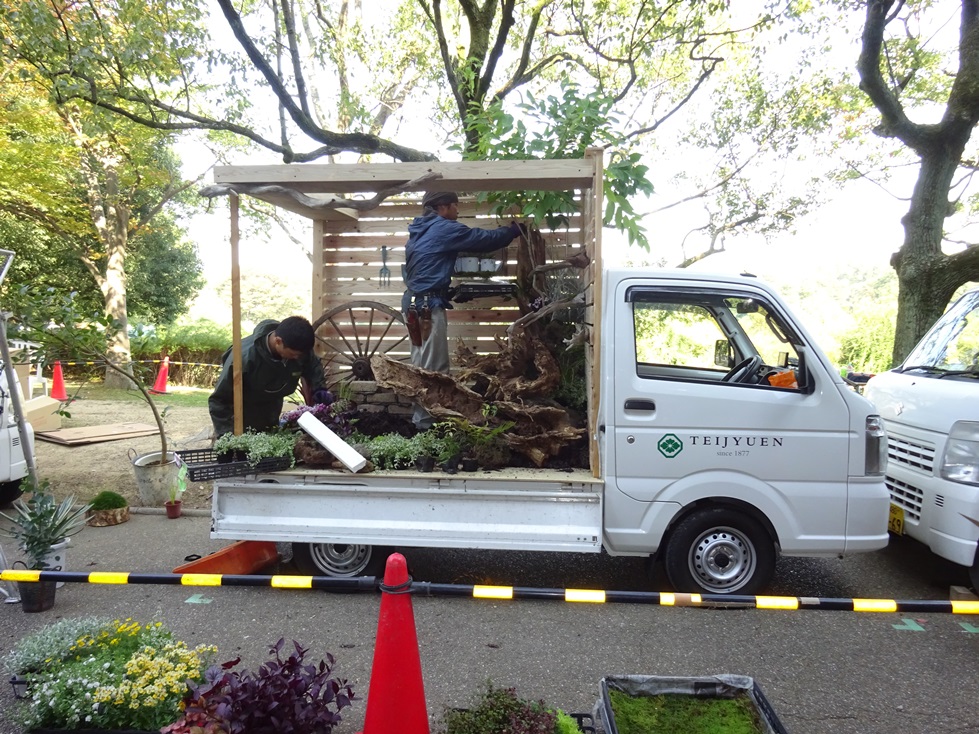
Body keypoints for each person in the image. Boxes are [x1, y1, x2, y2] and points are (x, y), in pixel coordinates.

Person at [401, 190, 521, 429]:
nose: (458, 211)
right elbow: (483, 239)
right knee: (434, 368)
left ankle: (423, 419)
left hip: (414, 305)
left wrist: (445, 292)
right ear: (442, 207)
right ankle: (426, 425)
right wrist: (513, 231)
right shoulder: (443, 228)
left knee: (421, 364)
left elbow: (424, 270)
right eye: (455, 206)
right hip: (427, 309)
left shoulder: (419, 230)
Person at [208, 316, 330, 437]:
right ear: (278, 341)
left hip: (271, 414)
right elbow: (219, 400)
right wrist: (228, 436)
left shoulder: (297, 347)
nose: (297, 358)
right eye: (293, 354)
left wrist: (319, 388)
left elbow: (312, 365)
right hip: (240, 417)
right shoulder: (243, 358)